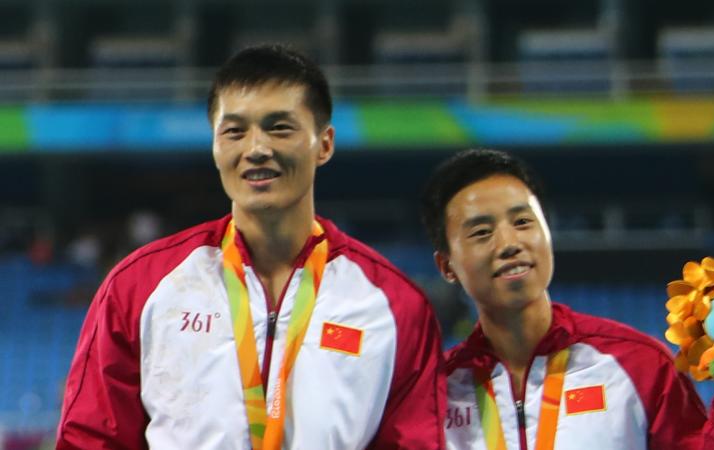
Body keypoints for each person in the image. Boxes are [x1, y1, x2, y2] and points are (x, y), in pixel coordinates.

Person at [56, 44, 445, 450]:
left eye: (279, 127)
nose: (256, 148)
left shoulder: (396, 306)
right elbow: (92, 439)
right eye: (234, 131)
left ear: (324, 144)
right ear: (214, 146)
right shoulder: (139, 286)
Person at [420, 148, 714, 449]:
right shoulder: (434, 394)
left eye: (523, 222)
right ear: (447, 266)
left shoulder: (640, 365)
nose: (510, 243)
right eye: (482, 232)